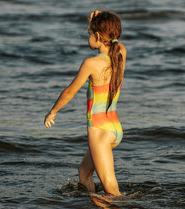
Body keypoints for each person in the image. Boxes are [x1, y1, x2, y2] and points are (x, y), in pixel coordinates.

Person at [44, 10, 126, 196]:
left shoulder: (91, 63)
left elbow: (69, 91)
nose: (88, 36)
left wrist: (53, 111)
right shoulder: (120, 53)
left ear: (97, 36)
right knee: (84, 172)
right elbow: (114, 40)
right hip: (115, 128)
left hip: (99, 131)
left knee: (111, 188)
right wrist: (97, 21)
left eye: (90, 33)